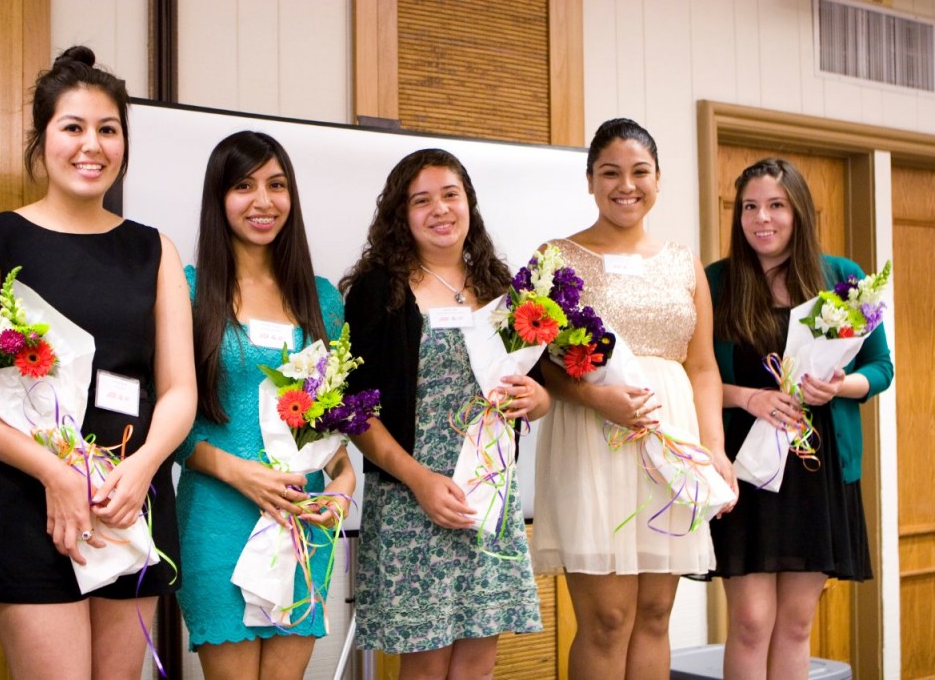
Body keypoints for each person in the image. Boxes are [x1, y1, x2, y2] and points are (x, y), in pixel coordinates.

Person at [0, 46, 197, 680]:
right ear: (42, 138)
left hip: (124, 502)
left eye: (108, 130)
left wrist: (140, 470)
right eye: (73, 127)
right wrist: (54, 475)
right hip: (26, 502)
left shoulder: (152, 248)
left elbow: (178, 389)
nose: (92, 145)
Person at [531, 118, 737, 680]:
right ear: (590, 181)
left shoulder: (682, 260)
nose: (627, 185)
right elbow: (537, 369)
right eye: (610, 172)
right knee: (607, 619)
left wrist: (713, 450)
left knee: (654, 613)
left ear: (658, 179)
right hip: (592, 443)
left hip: (670, 445)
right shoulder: (556, 257)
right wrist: (599, 402)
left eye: (639, 172)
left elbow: (701, 366)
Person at [339, 148, 548, 679]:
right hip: (414, 498)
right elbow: (356, 412)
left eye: (450, 195)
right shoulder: (377, 291)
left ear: (469, 204)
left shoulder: (503, 289)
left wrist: (535, 399)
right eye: (421, 200)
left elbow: (541, 391)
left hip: (486, 493)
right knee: (425, 668)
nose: (440, 209)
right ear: (401, 215)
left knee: (478, 663)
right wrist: (420, 482)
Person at [174, 130, 355, 680]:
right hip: (218, 515)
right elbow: (172, 420)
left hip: (304, 519)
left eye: (277, 185)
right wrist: (241, 475)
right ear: (218, 198)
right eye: (244, 186)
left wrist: (343, 491)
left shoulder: (322, 298)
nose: (263, 201)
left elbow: (336, 426)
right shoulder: (187, 290)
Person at [705, 157, 893, 679]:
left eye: (775, 206)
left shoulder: (842, 277)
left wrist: (839, 386)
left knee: (795, 625)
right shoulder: (716, 282)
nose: (761, 218)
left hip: (817, 472)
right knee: (749, 621)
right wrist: (747, 397)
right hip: (745, 470)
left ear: (799, 211)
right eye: (749, 207)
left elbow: (880, 368)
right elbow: (692, 381)